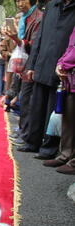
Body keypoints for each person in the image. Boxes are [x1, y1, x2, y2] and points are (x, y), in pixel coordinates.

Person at [19, 0, 75, 155]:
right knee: (36, 106)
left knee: (54, 108)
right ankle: (32, 142)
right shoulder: (52, 6)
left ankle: (49, 147)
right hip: (42, 63)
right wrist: (31, 65)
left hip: (62, 67)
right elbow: (39, 38)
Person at [4, 0, 43, 154]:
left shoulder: (38, 17)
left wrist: (16, 39)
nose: (19, 3)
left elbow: (33, 44)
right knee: (23, 97)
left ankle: (27, 135)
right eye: (17, 1)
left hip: (31, 63)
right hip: (23, 62)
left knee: (27, 98)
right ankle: (23, 131)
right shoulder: (25, 17)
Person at [43, 26, 75, 174]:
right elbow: (69, 49)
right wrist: (59, 64)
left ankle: (73, 161)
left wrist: (65, 64)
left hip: (71, 71)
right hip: (69, 79)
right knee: (67, 119)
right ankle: (65, 155)